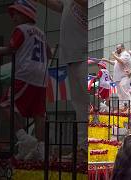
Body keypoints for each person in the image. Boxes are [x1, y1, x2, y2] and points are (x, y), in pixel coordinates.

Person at [0, 0, 51, 160]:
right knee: (38, 113)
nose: (13, 17)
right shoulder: (41, 33)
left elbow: (11, 48)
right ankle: (40, 149)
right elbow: (48, 53)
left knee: (5, 103)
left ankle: (24, 138)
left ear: (25, 14)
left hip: (25, 73)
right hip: (41, 77)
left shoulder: (20, 29)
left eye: (16, 14)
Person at [37, 0, 87, 161]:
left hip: (86, 54)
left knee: (90, 104)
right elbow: (60, 6)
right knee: (79, 106)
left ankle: (93, 147)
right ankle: (83, 149)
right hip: (72, 57)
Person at [103, 44, 131, 112]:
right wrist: (107, 60)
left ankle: (129, 106)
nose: (116, 50)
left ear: (121, 48)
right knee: (119, 93)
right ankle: (123, 106)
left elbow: (121, 61)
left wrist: (114, 55)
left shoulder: (125, 54)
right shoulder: (120, 56)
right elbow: (115, 63)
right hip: (118, 77)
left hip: (125, 76)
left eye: (117, 48)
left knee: (124, 89)